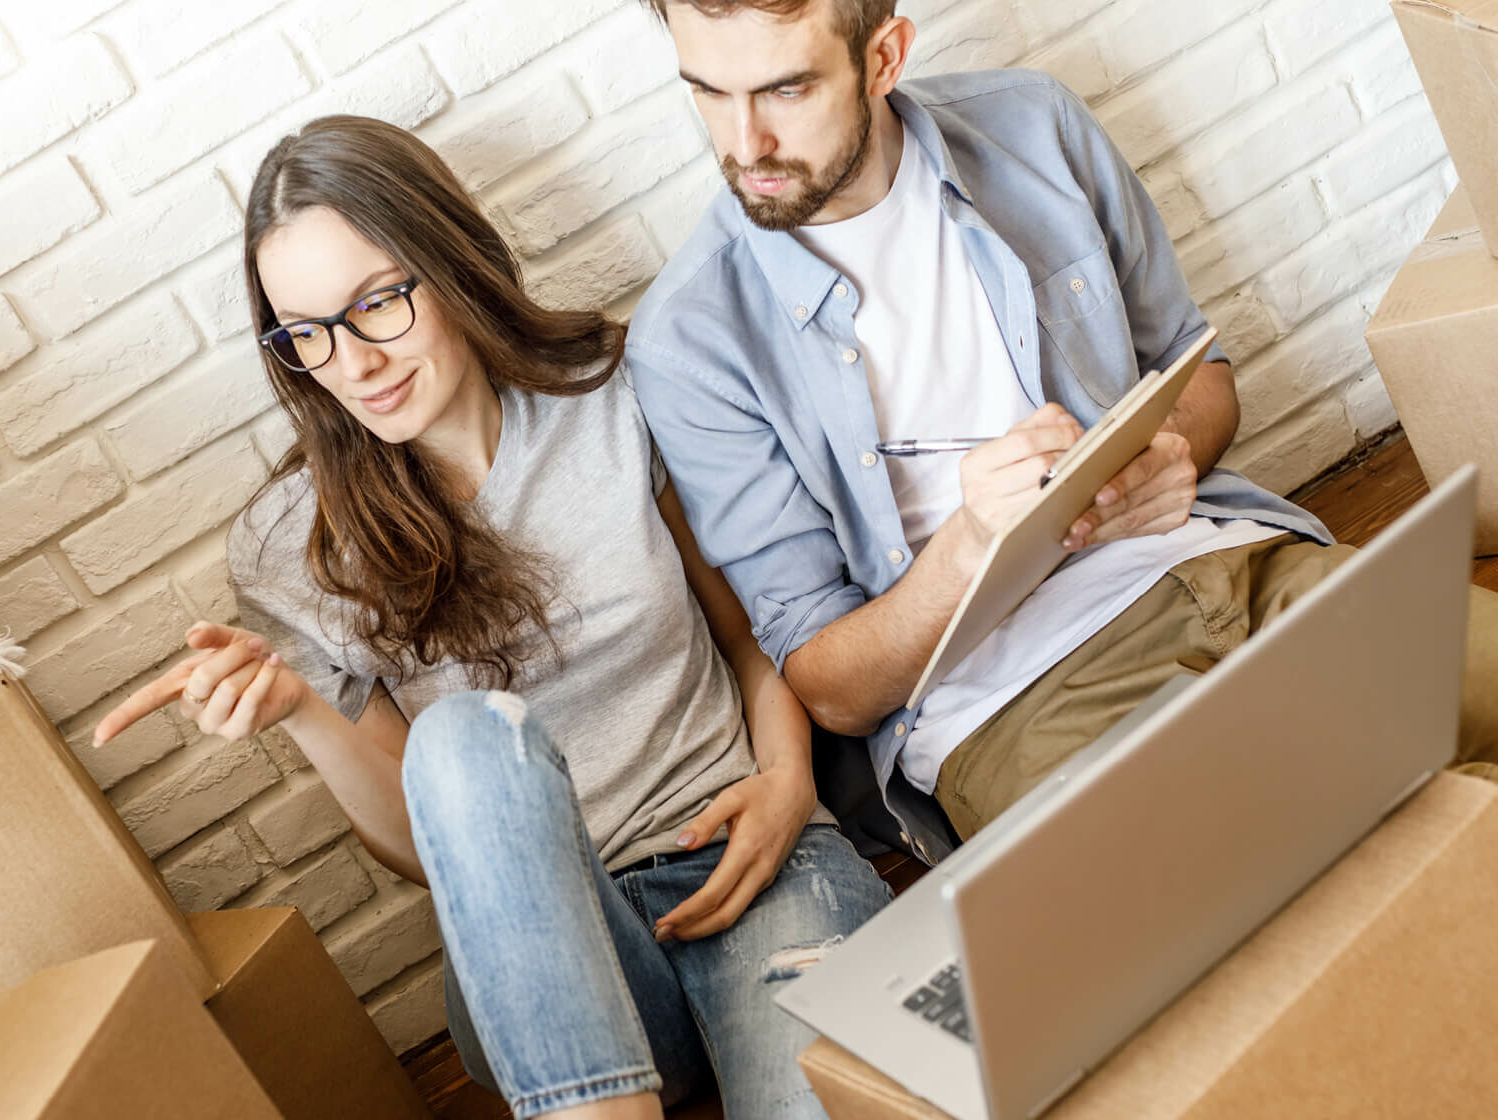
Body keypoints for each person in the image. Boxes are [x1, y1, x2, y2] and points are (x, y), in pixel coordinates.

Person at [93, 114, 890, 1120]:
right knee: (464, 736)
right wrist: (302, 705)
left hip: (752, 868)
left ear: (451, 259)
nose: (353, 362)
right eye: (306, 333)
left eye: (377, 302)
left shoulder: (618, 391)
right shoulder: (292, 544)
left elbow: (748, 632)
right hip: (541, 960)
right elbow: (424, 847)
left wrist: (784, 782)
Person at [625, 0, 1498, 865]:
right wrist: (970, 546)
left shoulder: (1032, 127)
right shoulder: (691, 340)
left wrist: (1167, 455)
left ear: (883, 58)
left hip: (1222, 567)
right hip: (1015, 708)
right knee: (1308, 898)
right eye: (708, 92)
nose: (745, 144)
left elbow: (1203, 376)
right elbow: (832, 690)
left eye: (785, 91)